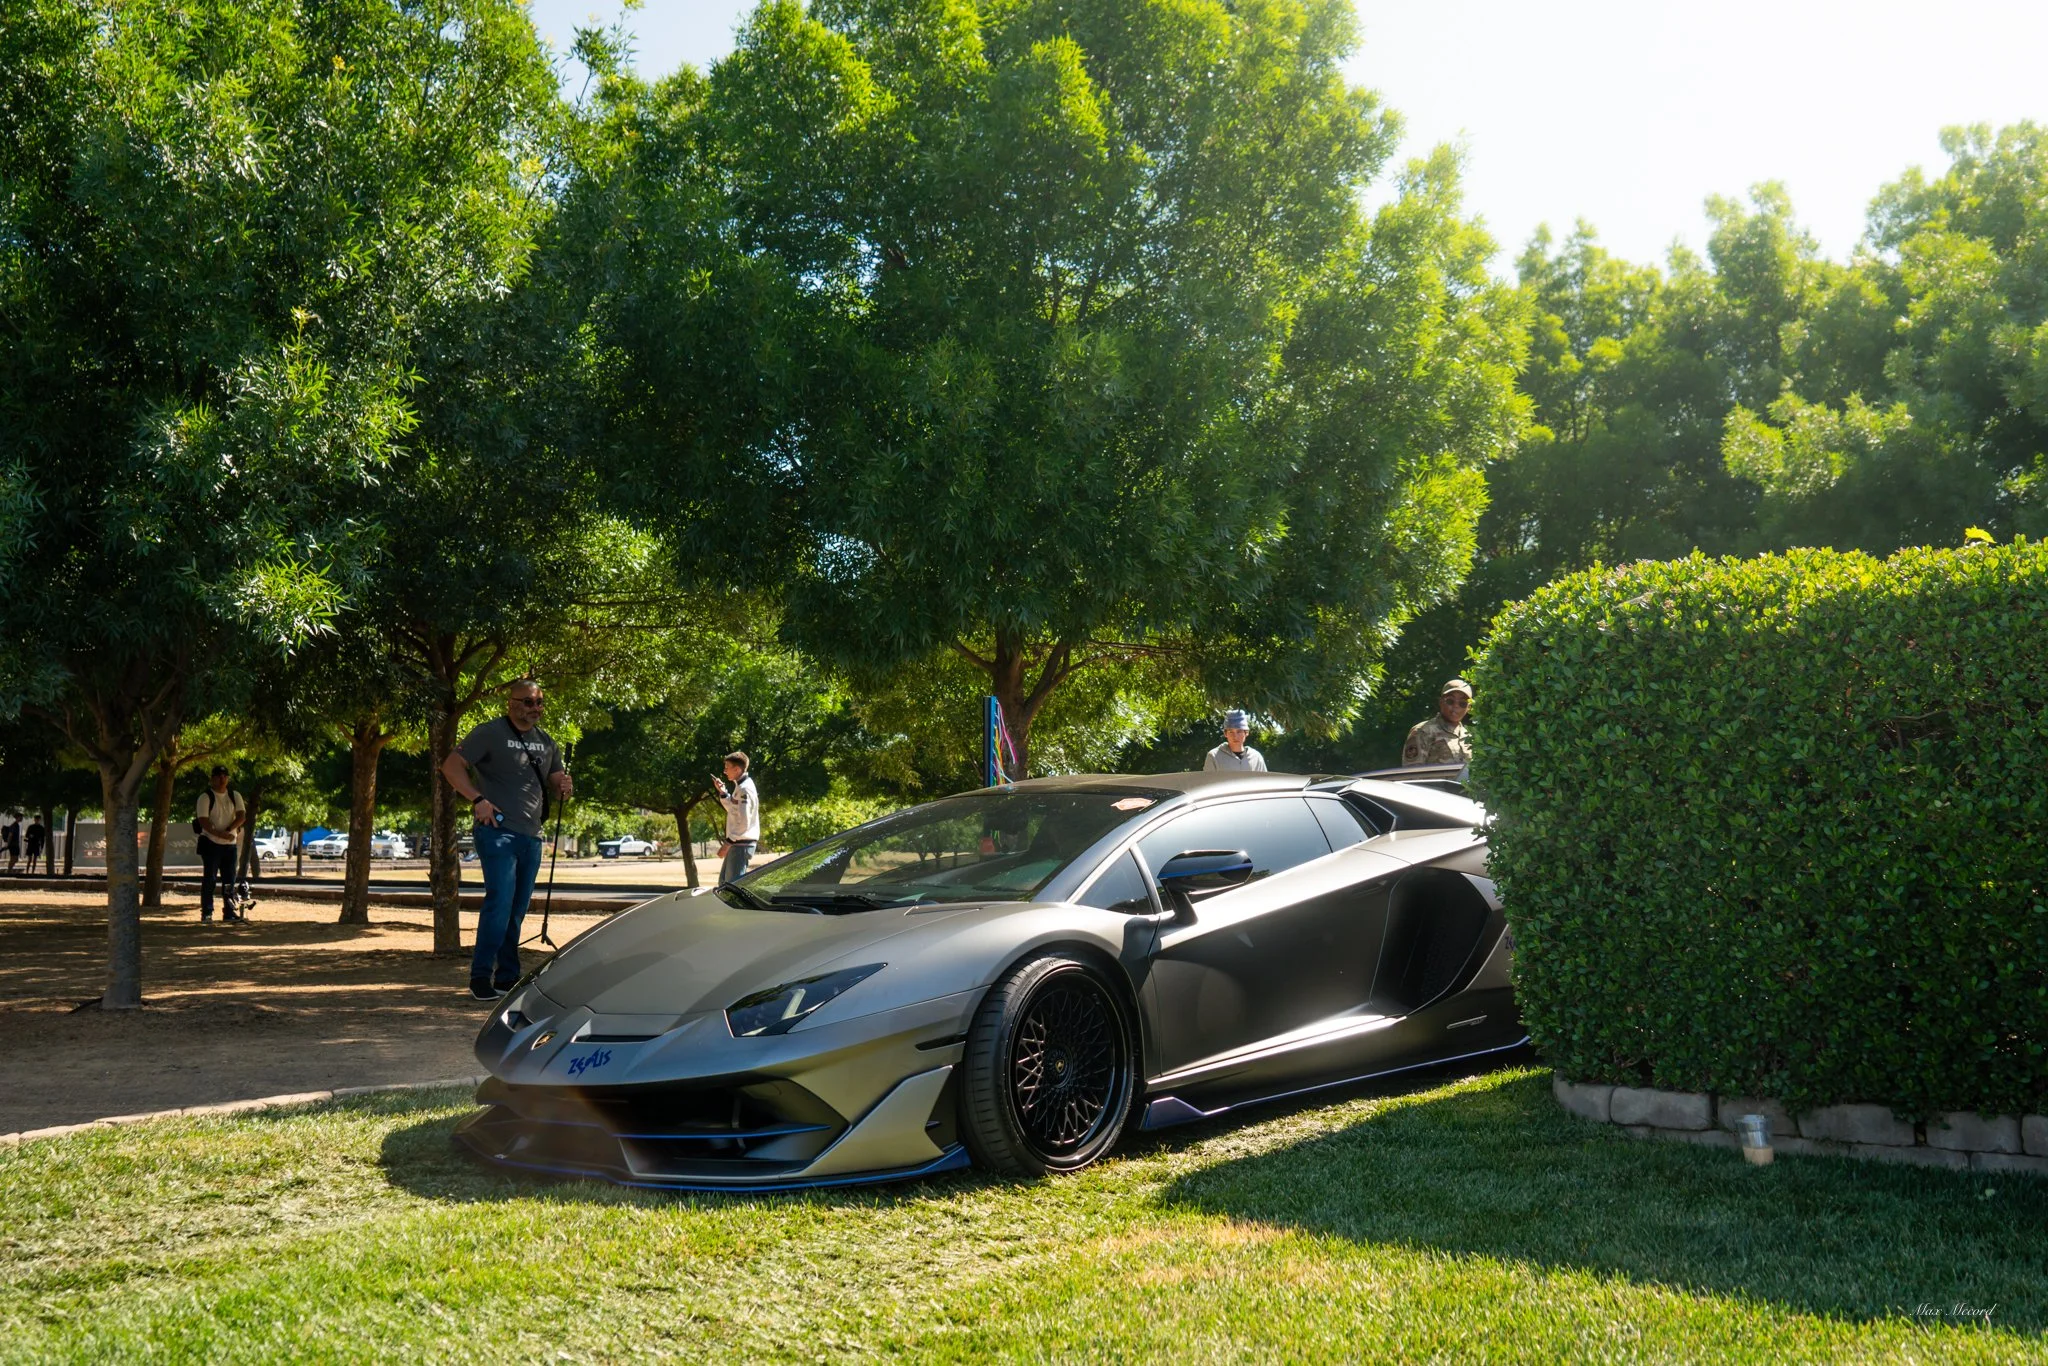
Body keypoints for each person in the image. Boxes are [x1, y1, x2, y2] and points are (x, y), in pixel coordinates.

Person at [440, 678, 571, 1001]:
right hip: (497, 832)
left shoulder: (547, 742)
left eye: (539, 702)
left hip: (531, 837)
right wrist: (476, 799)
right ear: (511, 703)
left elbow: (555, 782)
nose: (535, 708)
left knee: (516, 909)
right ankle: (480, 976)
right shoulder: (489, 733)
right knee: (499, 903)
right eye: (528, 702)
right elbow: (451, 766)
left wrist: (565, 785)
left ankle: (507, 977)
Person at [195, 766, 247, 922]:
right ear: (212, 778)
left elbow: (242, 815)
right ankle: (207, 912)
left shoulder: (234, 795)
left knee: (229, 880)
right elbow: (203, 820)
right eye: (218, 776)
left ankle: (229, 912)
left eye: (225, 775)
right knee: (209, 879)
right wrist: (218, 834)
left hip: (229, 845)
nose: (222, 778)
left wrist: (229, 830)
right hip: (210, 843)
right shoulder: (205, 797)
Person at [1402, 678, 1474, 768]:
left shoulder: (1468, 737)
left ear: (1469, 708)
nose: (1456, 706)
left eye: (1462, 703)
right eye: (1450, 701)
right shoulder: (1423, 731)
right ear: (1441, 702)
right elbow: (1412, 773)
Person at [712, 751, 759, 884]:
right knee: (723, 884)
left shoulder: (744, 789)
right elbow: (734, 810)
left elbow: (744, 822)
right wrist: (723, 793)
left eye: (727, 767)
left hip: (741, 844)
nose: (724, 771)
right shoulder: (741, 786)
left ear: (737, 769)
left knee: (731, 887)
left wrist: (727, 843)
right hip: (737, 843)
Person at [1202, 710, 1267, 772]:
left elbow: (1264, 782)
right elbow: (1207, 782)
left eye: (1239, 731)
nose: (1235, 736)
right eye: (1231, 732)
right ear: (1225, 734)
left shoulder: (1256, 757)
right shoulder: (1214, 756)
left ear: (1246, 733)